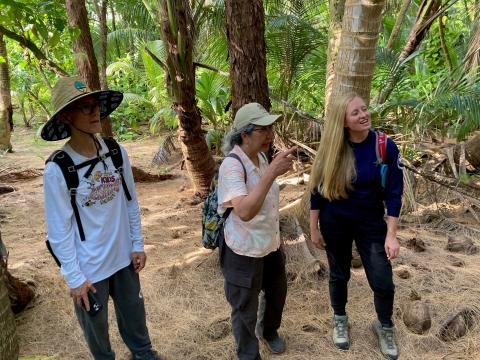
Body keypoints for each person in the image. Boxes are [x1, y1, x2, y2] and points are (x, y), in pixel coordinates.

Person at [42, 76, 161, 360]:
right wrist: (74, 278)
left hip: (123, 261)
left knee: (136, 322)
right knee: (98, 335)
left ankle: (143, 355)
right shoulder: (59, 169)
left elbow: (130, 203)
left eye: (95, 105)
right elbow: (59, 231)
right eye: (85, 107)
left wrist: (137, 244)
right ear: (66, 116)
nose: (95, 112)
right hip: (89, 271)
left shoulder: (116, 152)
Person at [309, 93, 403, 360]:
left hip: (370, 222)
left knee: (383, 281)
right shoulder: (331, 149)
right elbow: (317, 191)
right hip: (335, 221)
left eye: (364, 109)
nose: (363, 115)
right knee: (339, 275)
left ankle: (384, 326)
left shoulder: (384, 147)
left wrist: (392, 235)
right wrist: (314, 228)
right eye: (355, 113)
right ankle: (340, 319)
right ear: (343, 121)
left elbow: (394, 194)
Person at [217, 103, 296, 360]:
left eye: (270, 128)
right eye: (263, 130)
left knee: (276, 292)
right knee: (244, 307)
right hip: (244, 248)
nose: (270, 134)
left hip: (269, 243)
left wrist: (279, 237)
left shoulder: (261, 158)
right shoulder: (232, 166)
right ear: (244, 135)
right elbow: (245, 211)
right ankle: (248, 355)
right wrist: (272, 172)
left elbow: (270, 204)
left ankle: (268, 331)